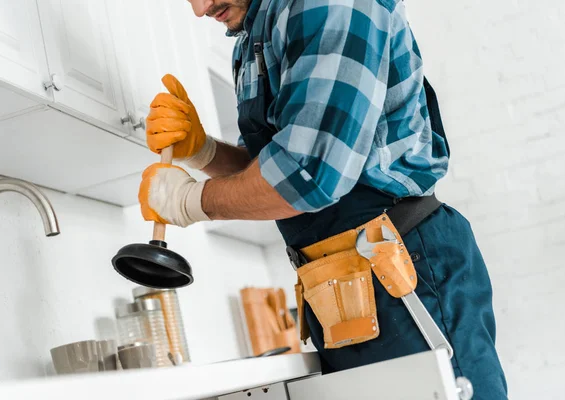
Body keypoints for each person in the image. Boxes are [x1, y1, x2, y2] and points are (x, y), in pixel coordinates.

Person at [139, 0, 508, 398]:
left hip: (398, 271)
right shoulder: (252, 37)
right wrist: (204, 152)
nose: (200, 8)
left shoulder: (330, 4)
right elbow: (270, 168)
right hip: (338, 286)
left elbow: (310, 175)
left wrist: (188, 201)